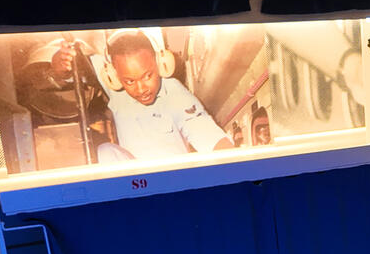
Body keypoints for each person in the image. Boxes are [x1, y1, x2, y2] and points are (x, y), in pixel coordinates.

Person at [52, 29, 234, 162]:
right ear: (114, 76)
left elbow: (208, 135)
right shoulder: (113, 80)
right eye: (129, 81)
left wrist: (236, 168)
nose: (141, 89)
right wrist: (60, 65)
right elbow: (74, 68)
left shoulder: (175, 93)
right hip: (136, 182)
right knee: (105, 151)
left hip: (173, 181)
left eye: (148, 76)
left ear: (161, 63)